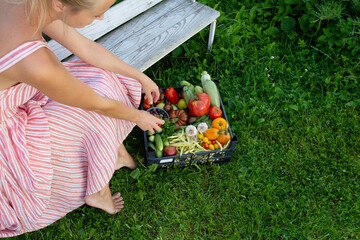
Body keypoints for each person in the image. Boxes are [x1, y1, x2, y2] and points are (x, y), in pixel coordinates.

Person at [0, 0, 165, 237]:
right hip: (6, 124)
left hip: (16, 89)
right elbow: (99, 105)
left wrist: (138, 76)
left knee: (104, 78)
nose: (100, 20)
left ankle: (114, 153)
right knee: (91, 115)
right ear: (60, 5)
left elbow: (86, 49)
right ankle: (98, 192)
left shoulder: (36, 4)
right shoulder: (36, 63)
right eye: (97, 15)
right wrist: (138, 116)